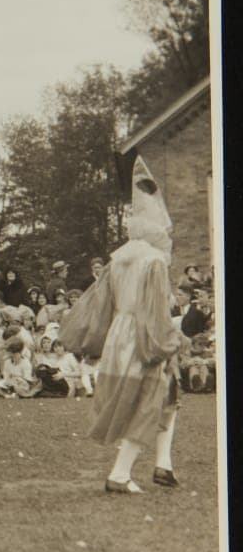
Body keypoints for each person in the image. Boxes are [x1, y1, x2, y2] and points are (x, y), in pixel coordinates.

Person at [60, 158, 182, 493]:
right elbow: (155, 310)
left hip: (120, 332)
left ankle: (163, 465)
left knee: (169, 395)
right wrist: (166, 343)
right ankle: (119, 473)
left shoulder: (119, 259)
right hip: (143, 333)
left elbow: (102, 305)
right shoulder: (153, 262)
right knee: (147, 398)